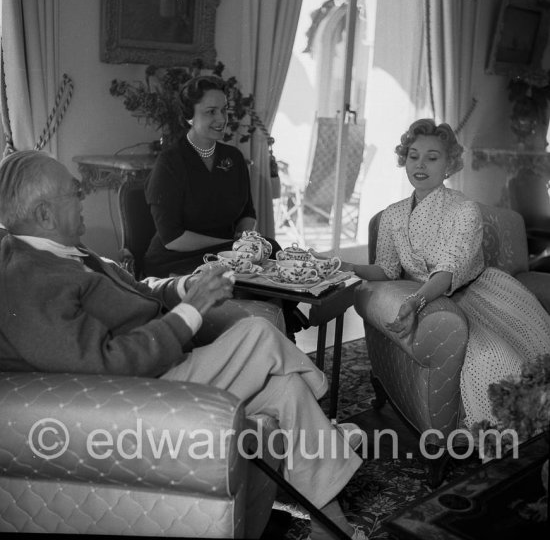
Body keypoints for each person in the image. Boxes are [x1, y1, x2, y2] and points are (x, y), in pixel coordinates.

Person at [0, 150, 365, 540]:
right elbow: (102, 366)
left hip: (165, 367)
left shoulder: (66, 254)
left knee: (288, 389)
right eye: (73, 191)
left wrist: (185, 286)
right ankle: (327, 428)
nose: (82, 195)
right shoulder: (27, 278)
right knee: (256, 333)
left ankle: (329, 524)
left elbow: (141, 291)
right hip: (139, 393)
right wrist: (191, 312)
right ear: (43, 214)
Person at [342, 119, 550, 428]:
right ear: (404, 160)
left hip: (475, 292)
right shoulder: (392, 214)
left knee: (495, 355)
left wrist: (415, 301)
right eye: (413, 156)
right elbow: (385, 268)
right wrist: (348, 267)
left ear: (449, 164)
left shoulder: (464, 210)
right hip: (432, 299)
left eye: (432, 157)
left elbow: (448, 272)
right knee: (485, 358)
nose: (420, 164)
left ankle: (514, 424)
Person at [144, 74, 309, 336]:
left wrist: (245, 243)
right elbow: (172, 238)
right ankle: (276, 328)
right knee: (238, 279)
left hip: (226, 252)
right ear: (190, 116)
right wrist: (230, 244)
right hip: (177, 260)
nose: (221, 119)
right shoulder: (170, 163)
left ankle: (279, 324)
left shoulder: (232, 158)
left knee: (273, 251)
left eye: (224, 110)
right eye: (211, 112)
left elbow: (247, 213)